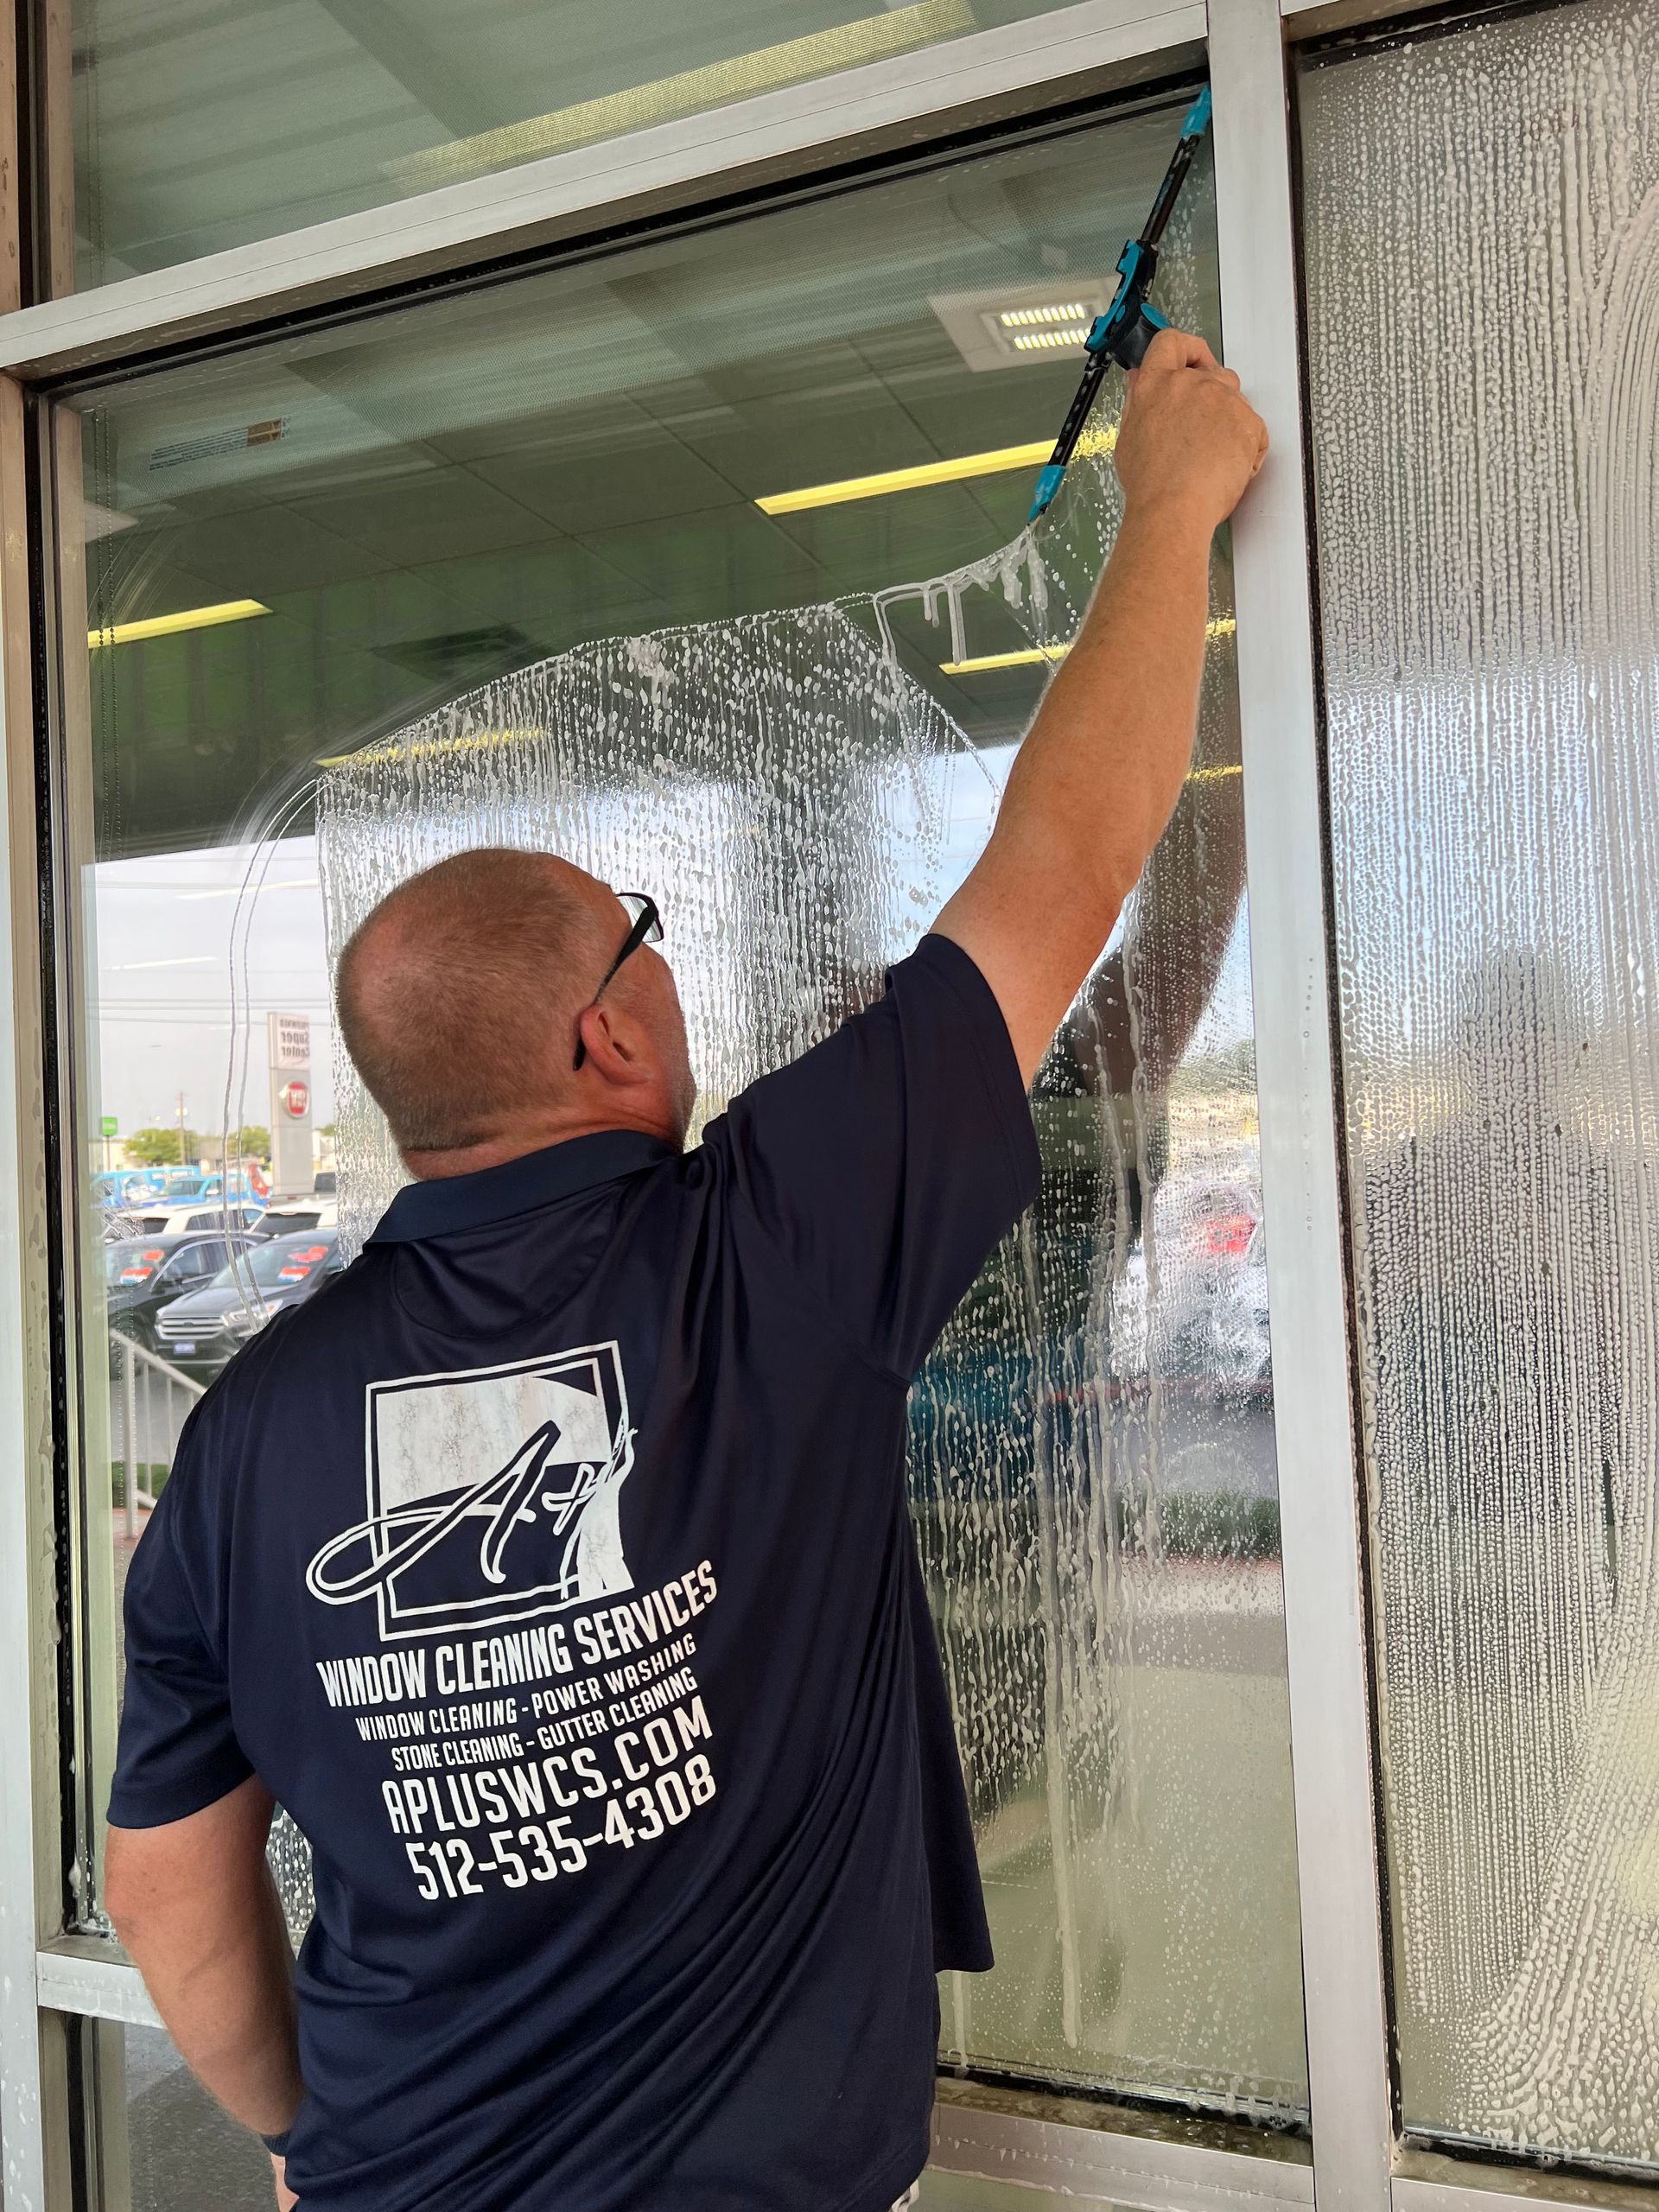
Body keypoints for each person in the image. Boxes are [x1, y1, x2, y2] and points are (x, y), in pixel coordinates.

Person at [105, 329, 1266, 2212]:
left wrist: (301, 2134)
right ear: (601, 1042)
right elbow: (1061, 873)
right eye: (642, 940)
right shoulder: (774, 1243)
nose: (677, 972)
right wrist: (1176, 508)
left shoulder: (243, 1434)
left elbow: (164, 1884)